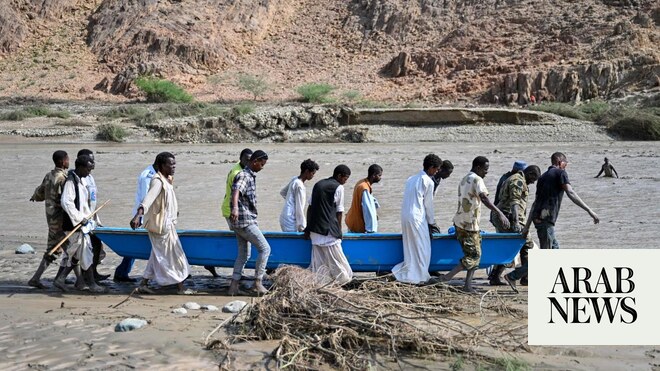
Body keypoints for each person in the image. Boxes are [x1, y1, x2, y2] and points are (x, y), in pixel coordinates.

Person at [505, 152, 600, 292]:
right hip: (546, 221)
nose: (566, 166)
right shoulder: (560, 173)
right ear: (560, 161)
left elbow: (536, 203)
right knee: (546, 255)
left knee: (555, 251)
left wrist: (527, 226)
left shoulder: (543, 177)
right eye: (565, 163)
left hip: (540, 220)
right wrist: (589, 211)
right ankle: (513, 276)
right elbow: (571, 192)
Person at [439, 156, 510, 293]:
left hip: (459, 222)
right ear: (478, 167)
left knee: (472, 255)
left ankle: (467, 285)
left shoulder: (464, 179)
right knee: (474, 256)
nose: (486, 172)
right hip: (469, 225)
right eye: (485, 169)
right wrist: (499, 213)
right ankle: (446, 278)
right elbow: (484, 198)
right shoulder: (477, 180)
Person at [130, 152, 192, 295]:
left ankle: (143, 283)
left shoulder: (166, 180)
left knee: (156, 255)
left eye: (174, 163)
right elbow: (147, 200)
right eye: (170, 164)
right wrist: (138, 215)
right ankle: (181, 287)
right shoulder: (157, 181)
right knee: (175, 256)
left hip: (168, 224)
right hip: (161, 226)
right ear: (161, 166)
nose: (174, 166)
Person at [53, 154, 105, 293]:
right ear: (81, 167)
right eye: (88, 169)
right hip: (74, 226)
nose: (89, 172)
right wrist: (78, 218)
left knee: (75, 255)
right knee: (84, 254)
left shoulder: (81, 180)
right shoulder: (71, 182)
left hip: (83, 225)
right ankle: (92, 284)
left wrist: (92, 220)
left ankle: (62, 279)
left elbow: (85, 205)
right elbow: (66, 202)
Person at [392, 154, 442, 284]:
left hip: (405, 216)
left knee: (410, 247)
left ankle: (410, 273)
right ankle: (419, 276)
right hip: (417, 217)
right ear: (431, 168)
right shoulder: (428, 181)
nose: (437, 172)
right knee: (422, 247)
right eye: (436, 169)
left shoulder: (411, 179)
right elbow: (428, 205)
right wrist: (432, 223)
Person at [488, 165, 541, 286]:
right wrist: (517, 222)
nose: (533, 182)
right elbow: (514, 202)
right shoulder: (517, 181)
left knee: (510, 246)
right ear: (530, 174)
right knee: (526, 244)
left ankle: (497, 276)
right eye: (534, 179)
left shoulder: (517, 179)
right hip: (509, 217)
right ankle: (522, 277)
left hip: (507, 217)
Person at [228, 150, 271, 295]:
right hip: (245, 221)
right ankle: (257, 283)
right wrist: (234, 208)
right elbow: (236, 191)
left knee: (243, 254)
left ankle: (233, 286)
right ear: (255, 161)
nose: (262, 167)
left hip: (241, 221)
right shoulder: (245, 175)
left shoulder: (248, 175)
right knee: (265, 249)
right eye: (262, 164)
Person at [27, 150, 70, 289]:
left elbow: (39, 193)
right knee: (72, 250)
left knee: (53, 250)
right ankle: (78, 280)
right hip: (59, 221)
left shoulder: (49, 175)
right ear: (62, 162)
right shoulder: (63, 179)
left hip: (50, 219)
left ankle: (35, 278)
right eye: (67, 159)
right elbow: (66, 200)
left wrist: (34, 197)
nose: (68, 161)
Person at [305, 165, 353, 286]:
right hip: (328, 232)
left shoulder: (318, 184)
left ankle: (323, 285)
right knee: (338, 262)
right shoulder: (339, 187)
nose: (345, 181)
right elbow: (339, 211)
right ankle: (343, 282)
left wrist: (308, 228)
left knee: (320, 264)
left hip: (315, 232)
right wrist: (339, 231)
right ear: (339, 176)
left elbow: (310, 208)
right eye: (345, 178)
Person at [113, 161, 157, 283]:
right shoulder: (148, 176)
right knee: (137, 245)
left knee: (134, 245)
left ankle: (122, 272)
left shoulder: (153, 173)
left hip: (146, 216)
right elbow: (145, 198)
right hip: (143, 217)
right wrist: (140, 217)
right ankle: (122, 272)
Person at [77, 149, 109, 283]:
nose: (93, 163)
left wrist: (97, 219)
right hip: (82, 220)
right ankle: (83, 278)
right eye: (90, 160)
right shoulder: (77, 179)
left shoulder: (90, 177)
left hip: (92, 218)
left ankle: (93, 272)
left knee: (96, 244)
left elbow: (93, 201)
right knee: (81, 251)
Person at [279, 159, 319, 232]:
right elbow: (299, 208)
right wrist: (302, 227)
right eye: (312, 173)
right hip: (290, 220)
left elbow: (283, 192)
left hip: (285, 215)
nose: (313, 176)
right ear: (307, 171)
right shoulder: (299, 186)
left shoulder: (294, 179)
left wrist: (290, 202)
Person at [345, 164, 382, 233]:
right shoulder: (364, 188)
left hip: (352, 221)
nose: (380, 178)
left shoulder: (362, 182)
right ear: (374, 175)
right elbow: (368, 209)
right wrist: (371, 230)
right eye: (379, 175)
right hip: (357, 225)